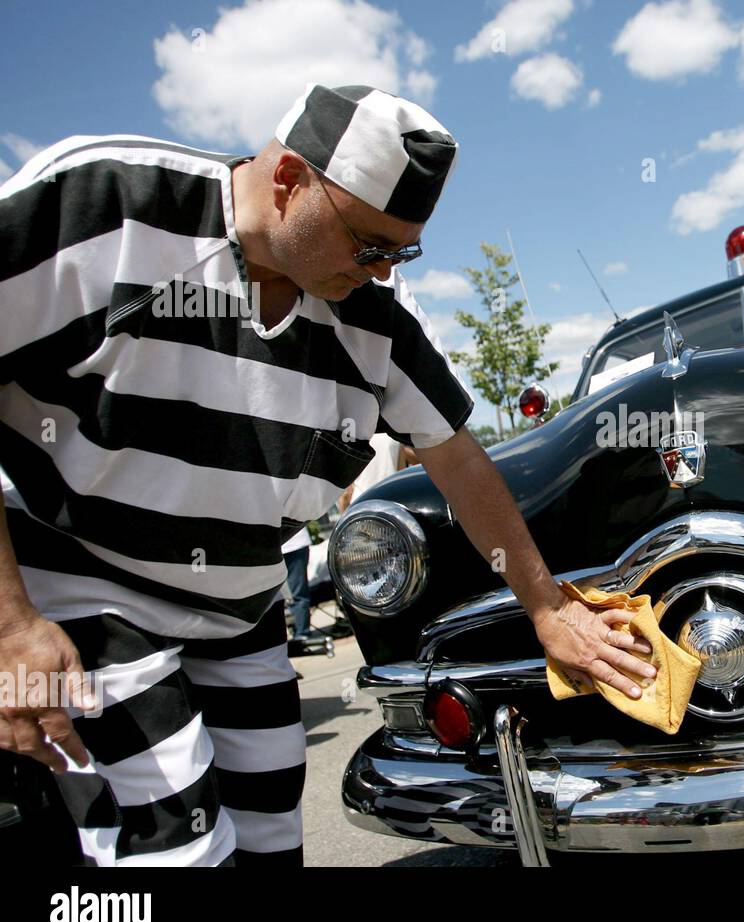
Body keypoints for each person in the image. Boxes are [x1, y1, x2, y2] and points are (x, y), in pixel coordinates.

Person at [0, 84, 654, 866]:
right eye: (369, 245)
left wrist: (548, 609)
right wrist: (8, 628)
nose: (382, 274)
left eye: (401, 253)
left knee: (273, 841)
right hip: (82, 577)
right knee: (174, 850)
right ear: (287, 182)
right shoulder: (106, 203)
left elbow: (457, 458)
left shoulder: (375, 316)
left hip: (239, 610)